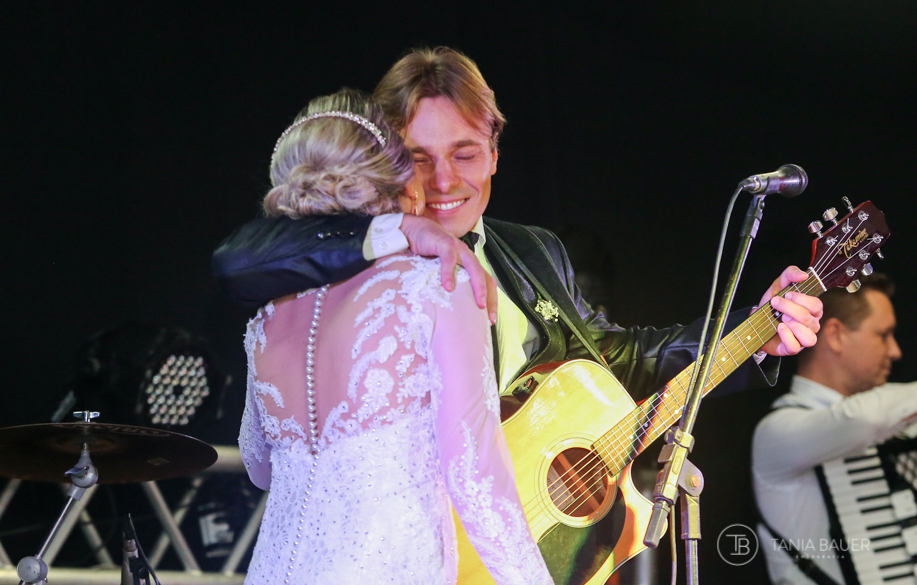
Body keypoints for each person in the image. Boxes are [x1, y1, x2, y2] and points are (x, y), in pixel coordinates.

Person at [213, 46, 823, 406]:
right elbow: (238, 261)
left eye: (465, 154)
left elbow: (617, 362)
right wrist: (403, 234)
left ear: (495, 154)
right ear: (387, 163)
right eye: (419, 158)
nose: (445, 181)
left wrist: (752, 331)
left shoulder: (532, 251)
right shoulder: (348, 246)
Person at [239, 88, 554, 584]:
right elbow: (475, 477)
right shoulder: (434, 286)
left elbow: (260, 468)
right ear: (396, 178)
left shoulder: (267, 318)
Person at [753, 273, 909, 585]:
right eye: (883, 335)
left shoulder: (896, 417)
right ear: (835, 335)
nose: (895, 351)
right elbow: (861, 420)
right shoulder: (776, 432)